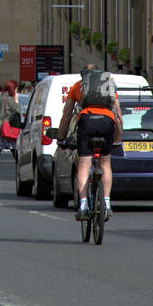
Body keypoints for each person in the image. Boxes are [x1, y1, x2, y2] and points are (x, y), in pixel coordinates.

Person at [57, 65, 123, 221]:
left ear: (84, 76)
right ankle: (106, 203)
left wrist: (61, 137)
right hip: (107, 122)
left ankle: (84, 205)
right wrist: (118, 138)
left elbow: (66, 116)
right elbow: (119, 116)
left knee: (84, 165)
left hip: (87, 121)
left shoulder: (77, 87)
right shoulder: (109, 87)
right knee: (106, 164)